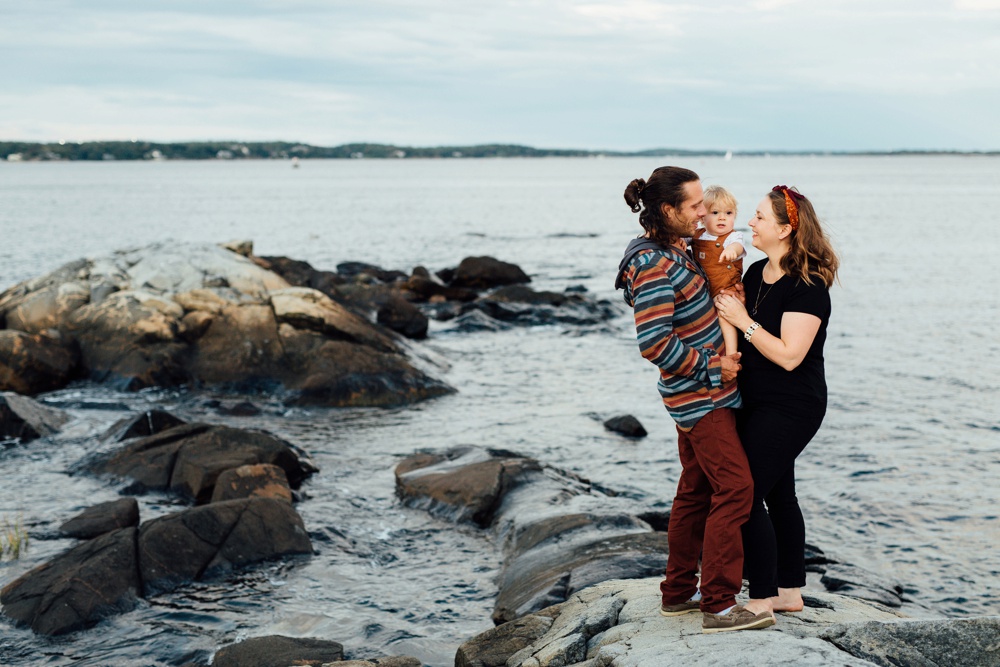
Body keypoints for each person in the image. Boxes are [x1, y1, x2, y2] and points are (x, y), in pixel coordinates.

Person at [616, 166, 773, 634]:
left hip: (701, 393)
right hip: (701, 396)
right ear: (668, 210)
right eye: (695, 205)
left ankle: (678, 592)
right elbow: (654, 343)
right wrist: (714, 366)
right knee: (737, 488)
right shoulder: (653, 264)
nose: (704, 212)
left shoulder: (675, 247)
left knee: (695, 491)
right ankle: (719, 605)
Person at [714, 185, 840, 622]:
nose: (750, 222)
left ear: (785, 230)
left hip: (793, 405)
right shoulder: (754, 273)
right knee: (780, 495)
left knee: (743, 493)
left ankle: (763, 598)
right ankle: (789, 593)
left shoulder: (808, 286)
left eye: (760, 217)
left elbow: (789, 356)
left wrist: (743, 321)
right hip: (755, 400)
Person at [688, 185, 745, 357]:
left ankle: (732, 353)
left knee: (724, 317)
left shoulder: (732, 237)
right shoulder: (697, 235)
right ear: (702, 217)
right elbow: (679, 239)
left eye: (728, 213)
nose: (722, 218)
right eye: (715, 213)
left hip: (726, 289)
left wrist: (732, 251)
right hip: (706, 289)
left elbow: (738, 246)